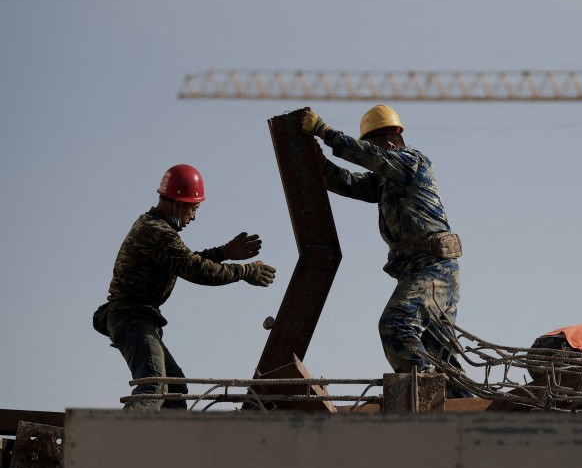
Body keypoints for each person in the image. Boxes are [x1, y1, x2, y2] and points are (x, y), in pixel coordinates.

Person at [301, 105, 468, 393]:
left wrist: (324, 132)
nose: (372, 156)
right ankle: (467, 410)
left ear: (391, 142)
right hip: (421, 270)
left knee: (396, 326)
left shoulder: (412, 163)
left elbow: (372, 158)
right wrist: (320, 164)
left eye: (373, 147)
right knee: (439, 356)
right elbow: (349, 182)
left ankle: (428, 398)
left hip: (433, 268)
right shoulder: (387, 181)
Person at [94, 164, 277, 411]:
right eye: (194, 208)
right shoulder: (157, 232)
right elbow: (195, 269)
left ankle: (164, 446)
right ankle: (116, 446)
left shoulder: (152, 225)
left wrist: (224, 252)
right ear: (179, 203)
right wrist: (246, 271)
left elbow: (183, 261)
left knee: (175, 391)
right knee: (154, 387)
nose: (194, 216)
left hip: (133, 318)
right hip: (132, 319)